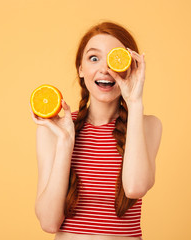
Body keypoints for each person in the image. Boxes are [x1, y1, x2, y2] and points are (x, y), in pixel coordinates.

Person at [30, 21, 162, 240]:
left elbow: (135, 188)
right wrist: (65, 143)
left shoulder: (148, 125)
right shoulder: (53, 130)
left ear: (131, 67)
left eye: (115, 59)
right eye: (94, 58)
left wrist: (135, 102)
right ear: (81, 69)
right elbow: (49, 221)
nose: (104, 68)